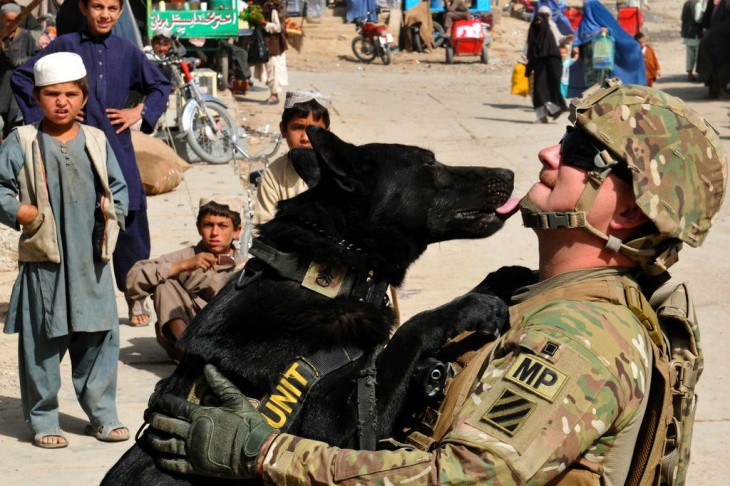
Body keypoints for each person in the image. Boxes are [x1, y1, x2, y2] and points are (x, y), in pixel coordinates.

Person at [145, 78, 727, 484]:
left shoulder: (576, 338)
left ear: (625, 215)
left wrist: (263, 454)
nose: (550, 151)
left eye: (578, 150)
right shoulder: (535, 297)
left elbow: (465, 477)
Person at [10, 0, 172, 323]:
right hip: (73, 147)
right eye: (98, 6)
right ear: (83, 8)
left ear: (121, 12)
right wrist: (54, 111)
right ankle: (75, 301)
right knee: (77, 218)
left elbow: (161, 85)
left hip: (117, 147)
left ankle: (135, 294)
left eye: (112, 8)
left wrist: (138, 112)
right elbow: (22, 78)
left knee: (130, 213)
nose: (105, 14)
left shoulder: (127, 51)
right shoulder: (65, 46)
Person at [0, 52, 130, 449]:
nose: (62, 102)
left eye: (71, 94)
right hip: (46, 261)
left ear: (83, 98)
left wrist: (113, 214)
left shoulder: (96, 139)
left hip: (91, 260)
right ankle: (43, 419)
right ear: (37, 98)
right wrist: (20, 210)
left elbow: (118, 187)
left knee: (98, 338)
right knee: (42, 343)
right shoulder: (21, 140)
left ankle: (103, 415)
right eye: (52, 94)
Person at [125, 198, 245, 362]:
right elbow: (134, 276)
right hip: (185, 340)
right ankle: (192, 353)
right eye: (208, 225)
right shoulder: (187, 256)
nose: (215, 233)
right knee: (165, 283)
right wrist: (183, 266)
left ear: (237, 231)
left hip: (225, 340)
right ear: (198, 227)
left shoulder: (244, 265)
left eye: (223, 226)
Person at [253, 89, 332, 225]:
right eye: (298, 127)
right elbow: (264, 226)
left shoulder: (338, 170)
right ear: (283, 129)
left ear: (327, 133)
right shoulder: (273, 175)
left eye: (314, 130)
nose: (306, 138)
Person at [569, 0, 645, 97]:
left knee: (602, 79)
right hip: (588, 60)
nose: (585, 9)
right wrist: (576, 45)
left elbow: (615, 29)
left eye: (587, 6)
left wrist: (607, 31)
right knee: (591, 81)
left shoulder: (602, 17)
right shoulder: (585, 22)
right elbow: (579, 36)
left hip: (602, 59)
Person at [0, 2, 38, 138]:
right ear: (2, 19)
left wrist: (22, 61)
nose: (12, 24)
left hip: (17, 85)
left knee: (14, 121)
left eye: (16, 20)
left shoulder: (26, 37)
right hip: (2, 84)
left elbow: (35, 57)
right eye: (9, 20)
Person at [525, 10, 566, 123]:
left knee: (543, 90)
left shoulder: (548, 35)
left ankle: (555, 110)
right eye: (536, 20)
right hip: (538, 68)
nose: (538, 23)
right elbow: (530, 53)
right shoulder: (533, 34)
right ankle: (542, 116)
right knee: (537, 92)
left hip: (549, 68)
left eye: (540, 21)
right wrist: (528, 68)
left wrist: (554, 72)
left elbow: (554, 55)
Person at [257, 0, 288, 105]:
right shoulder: (271, 8)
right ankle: (273, 94)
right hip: (271, 45)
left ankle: (274, 96)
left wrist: (264, 23)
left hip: (274, 45)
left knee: (274, 71)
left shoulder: (273, 10)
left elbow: (278, 27)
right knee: (271, 70)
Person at [681, 0, 704, 82]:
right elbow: (698, 19)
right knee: (698, 56)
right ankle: (700, 76)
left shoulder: (686, 3)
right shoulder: (697, 4)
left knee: (689, 56)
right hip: (695, 34)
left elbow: (682, 17)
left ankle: (689, 75)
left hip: (687, 34)